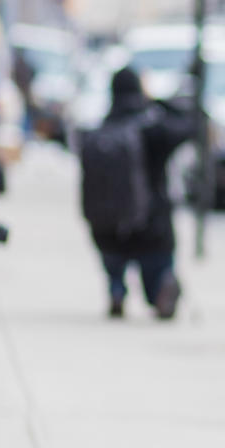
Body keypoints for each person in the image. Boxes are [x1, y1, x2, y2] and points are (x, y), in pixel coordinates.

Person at [81, 65, 195, 319]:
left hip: (107, 230)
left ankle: (116, 288)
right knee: (158, 267)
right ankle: (159, 291)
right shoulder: (152, 130)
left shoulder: (99, 133)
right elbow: (190, 123)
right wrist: (156, 100)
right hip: (151, 228)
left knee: (112, 256)